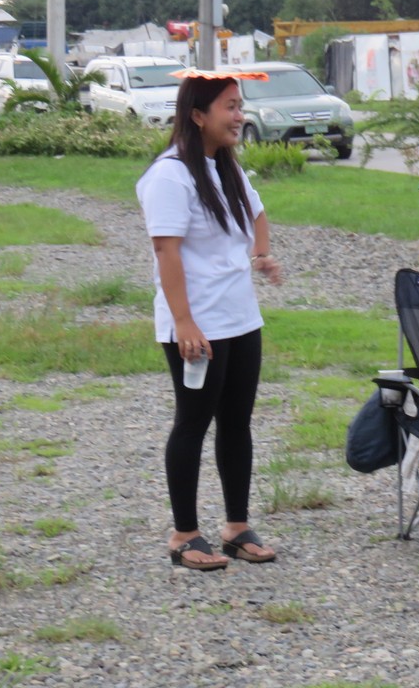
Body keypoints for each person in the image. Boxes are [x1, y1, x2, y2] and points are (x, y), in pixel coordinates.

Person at [137, 71, 283, 572]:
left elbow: (257, 214)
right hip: (197, 324)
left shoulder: (227, 167)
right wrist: (183, 322)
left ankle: (236, 528)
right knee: (193, 422)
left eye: (240, 105)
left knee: (237, 423)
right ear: (198, 115)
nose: (240, 116)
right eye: (230, 107)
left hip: (240, 318)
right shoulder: (170, 175)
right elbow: (166, 251)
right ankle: (184, 535)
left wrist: (261, 254)